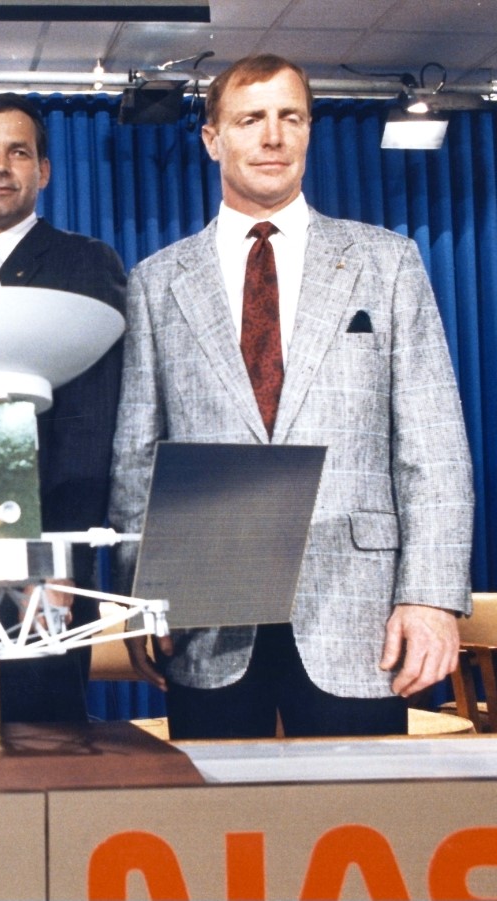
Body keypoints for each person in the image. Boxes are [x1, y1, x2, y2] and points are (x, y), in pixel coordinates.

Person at [109, 54, 474, 739]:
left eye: (290, 117)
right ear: (214, 138)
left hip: (356, 616)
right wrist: (144, 598)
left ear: (308, 131)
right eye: (251, 119)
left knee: (360, 829)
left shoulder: (387, 263)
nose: (272, 136)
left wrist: (428, 597)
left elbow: (435, 446)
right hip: (206, 613)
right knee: (215, 835)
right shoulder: (157, 283)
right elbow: (136, 462)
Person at [0, 93, 127, 725]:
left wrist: (58, 567)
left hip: (43, 576)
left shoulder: (82, 263)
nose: (1, 166)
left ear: (44, 170)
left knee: (44, 759)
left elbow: (92, 424)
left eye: (19, 152)